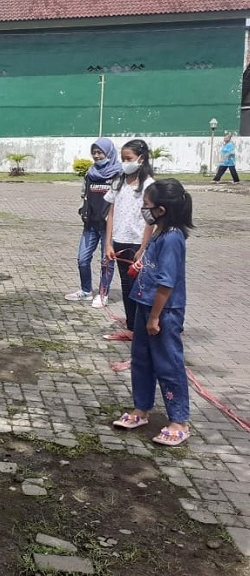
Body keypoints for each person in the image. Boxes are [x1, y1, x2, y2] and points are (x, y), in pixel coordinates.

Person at [112, 179, 193, 447]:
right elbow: (154, 268)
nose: (142, 210)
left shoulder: (172, 238)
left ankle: (178, 421)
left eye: (146, 206)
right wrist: (140, 264)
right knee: (142, 361)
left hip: (163, 312)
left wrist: (155, 317)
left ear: (161, 209)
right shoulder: (158, 233)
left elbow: (167, 283)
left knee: (168, 365)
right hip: (144, 305)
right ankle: (141, 409)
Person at [102, 139, 155, 343]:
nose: (125, 162)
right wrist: (108, 243)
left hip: (137, 243)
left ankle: (142, 327)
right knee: (126, 285)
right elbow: (111, 214)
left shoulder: (149, 186)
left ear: (141, 159)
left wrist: (143, 247)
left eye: (129, 159)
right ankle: (132, 326)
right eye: (122, 158)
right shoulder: (119, 182)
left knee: (138, 286)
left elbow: (150, 220)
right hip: (119, 241)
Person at [65, 137, 121, 308]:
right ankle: (86, 290)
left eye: (100, 152)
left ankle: (103, 294)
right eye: (94, 153)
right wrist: (83, 210)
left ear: (109, 153)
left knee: (106, 261)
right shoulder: (90, 173)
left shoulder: (118, 174)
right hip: (91, 224)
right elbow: (84, 194)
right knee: (82, 259)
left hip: (109, 226)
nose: (97, 156)